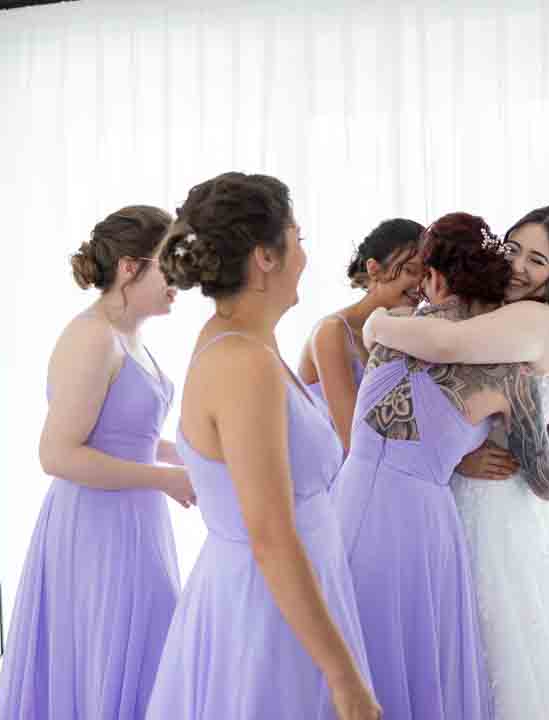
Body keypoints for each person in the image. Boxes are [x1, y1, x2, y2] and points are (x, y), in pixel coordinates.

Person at [364, 204, 549, 718]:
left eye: (537, 259)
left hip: (497, 509)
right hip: (482, 497)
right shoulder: (512, 317)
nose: (518, 266)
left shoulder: (531, 317)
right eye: (512, 249)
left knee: (495, 649)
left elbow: (446, 345)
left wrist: (377, 321)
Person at [147, 172, 379, 720]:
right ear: (265, 257)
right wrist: (344, 677)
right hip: (266, 609)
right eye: (298, 238)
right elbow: (271, 535)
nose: (304, 255)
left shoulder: (254, 343)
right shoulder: (242, 361)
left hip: (290, 592)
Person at [0, 206, 194, 720]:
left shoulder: (129, 336)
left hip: (134, 518)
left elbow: (131, 438)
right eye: (171, 263)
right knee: (113, 654)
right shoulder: (91, 337)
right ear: (131, 267)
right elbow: (57, 454)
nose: (183, 277)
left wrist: (197, 458)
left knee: (146, 648)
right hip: (96, 528)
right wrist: (166, 479)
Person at [296, 218, 424, 452]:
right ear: (374, 269)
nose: (420, 284)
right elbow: (354, 440)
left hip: (383, 466)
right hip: (340, 475)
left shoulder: (402, 335)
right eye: (411, 270)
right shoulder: (331, 332)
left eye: (426, 275)